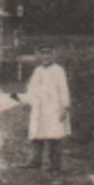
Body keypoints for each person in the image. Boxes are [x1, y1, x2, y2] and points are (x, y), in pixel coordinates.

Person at [23, 44, 71, 172]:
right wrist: (28, 102)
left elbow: (63, 90)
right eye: (43, 54)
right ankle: (35, 161)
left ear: (53, 55)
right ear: (40, 56)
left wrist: (64, 107)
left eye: (48, 54)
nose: (46, 57)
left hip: (54, 107)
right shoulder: (37, 71)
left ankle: (54, 164)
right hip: (39, 108)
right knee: (36, 134)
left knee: (54, 136)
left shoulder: (58, 70)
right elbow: (32, 89)